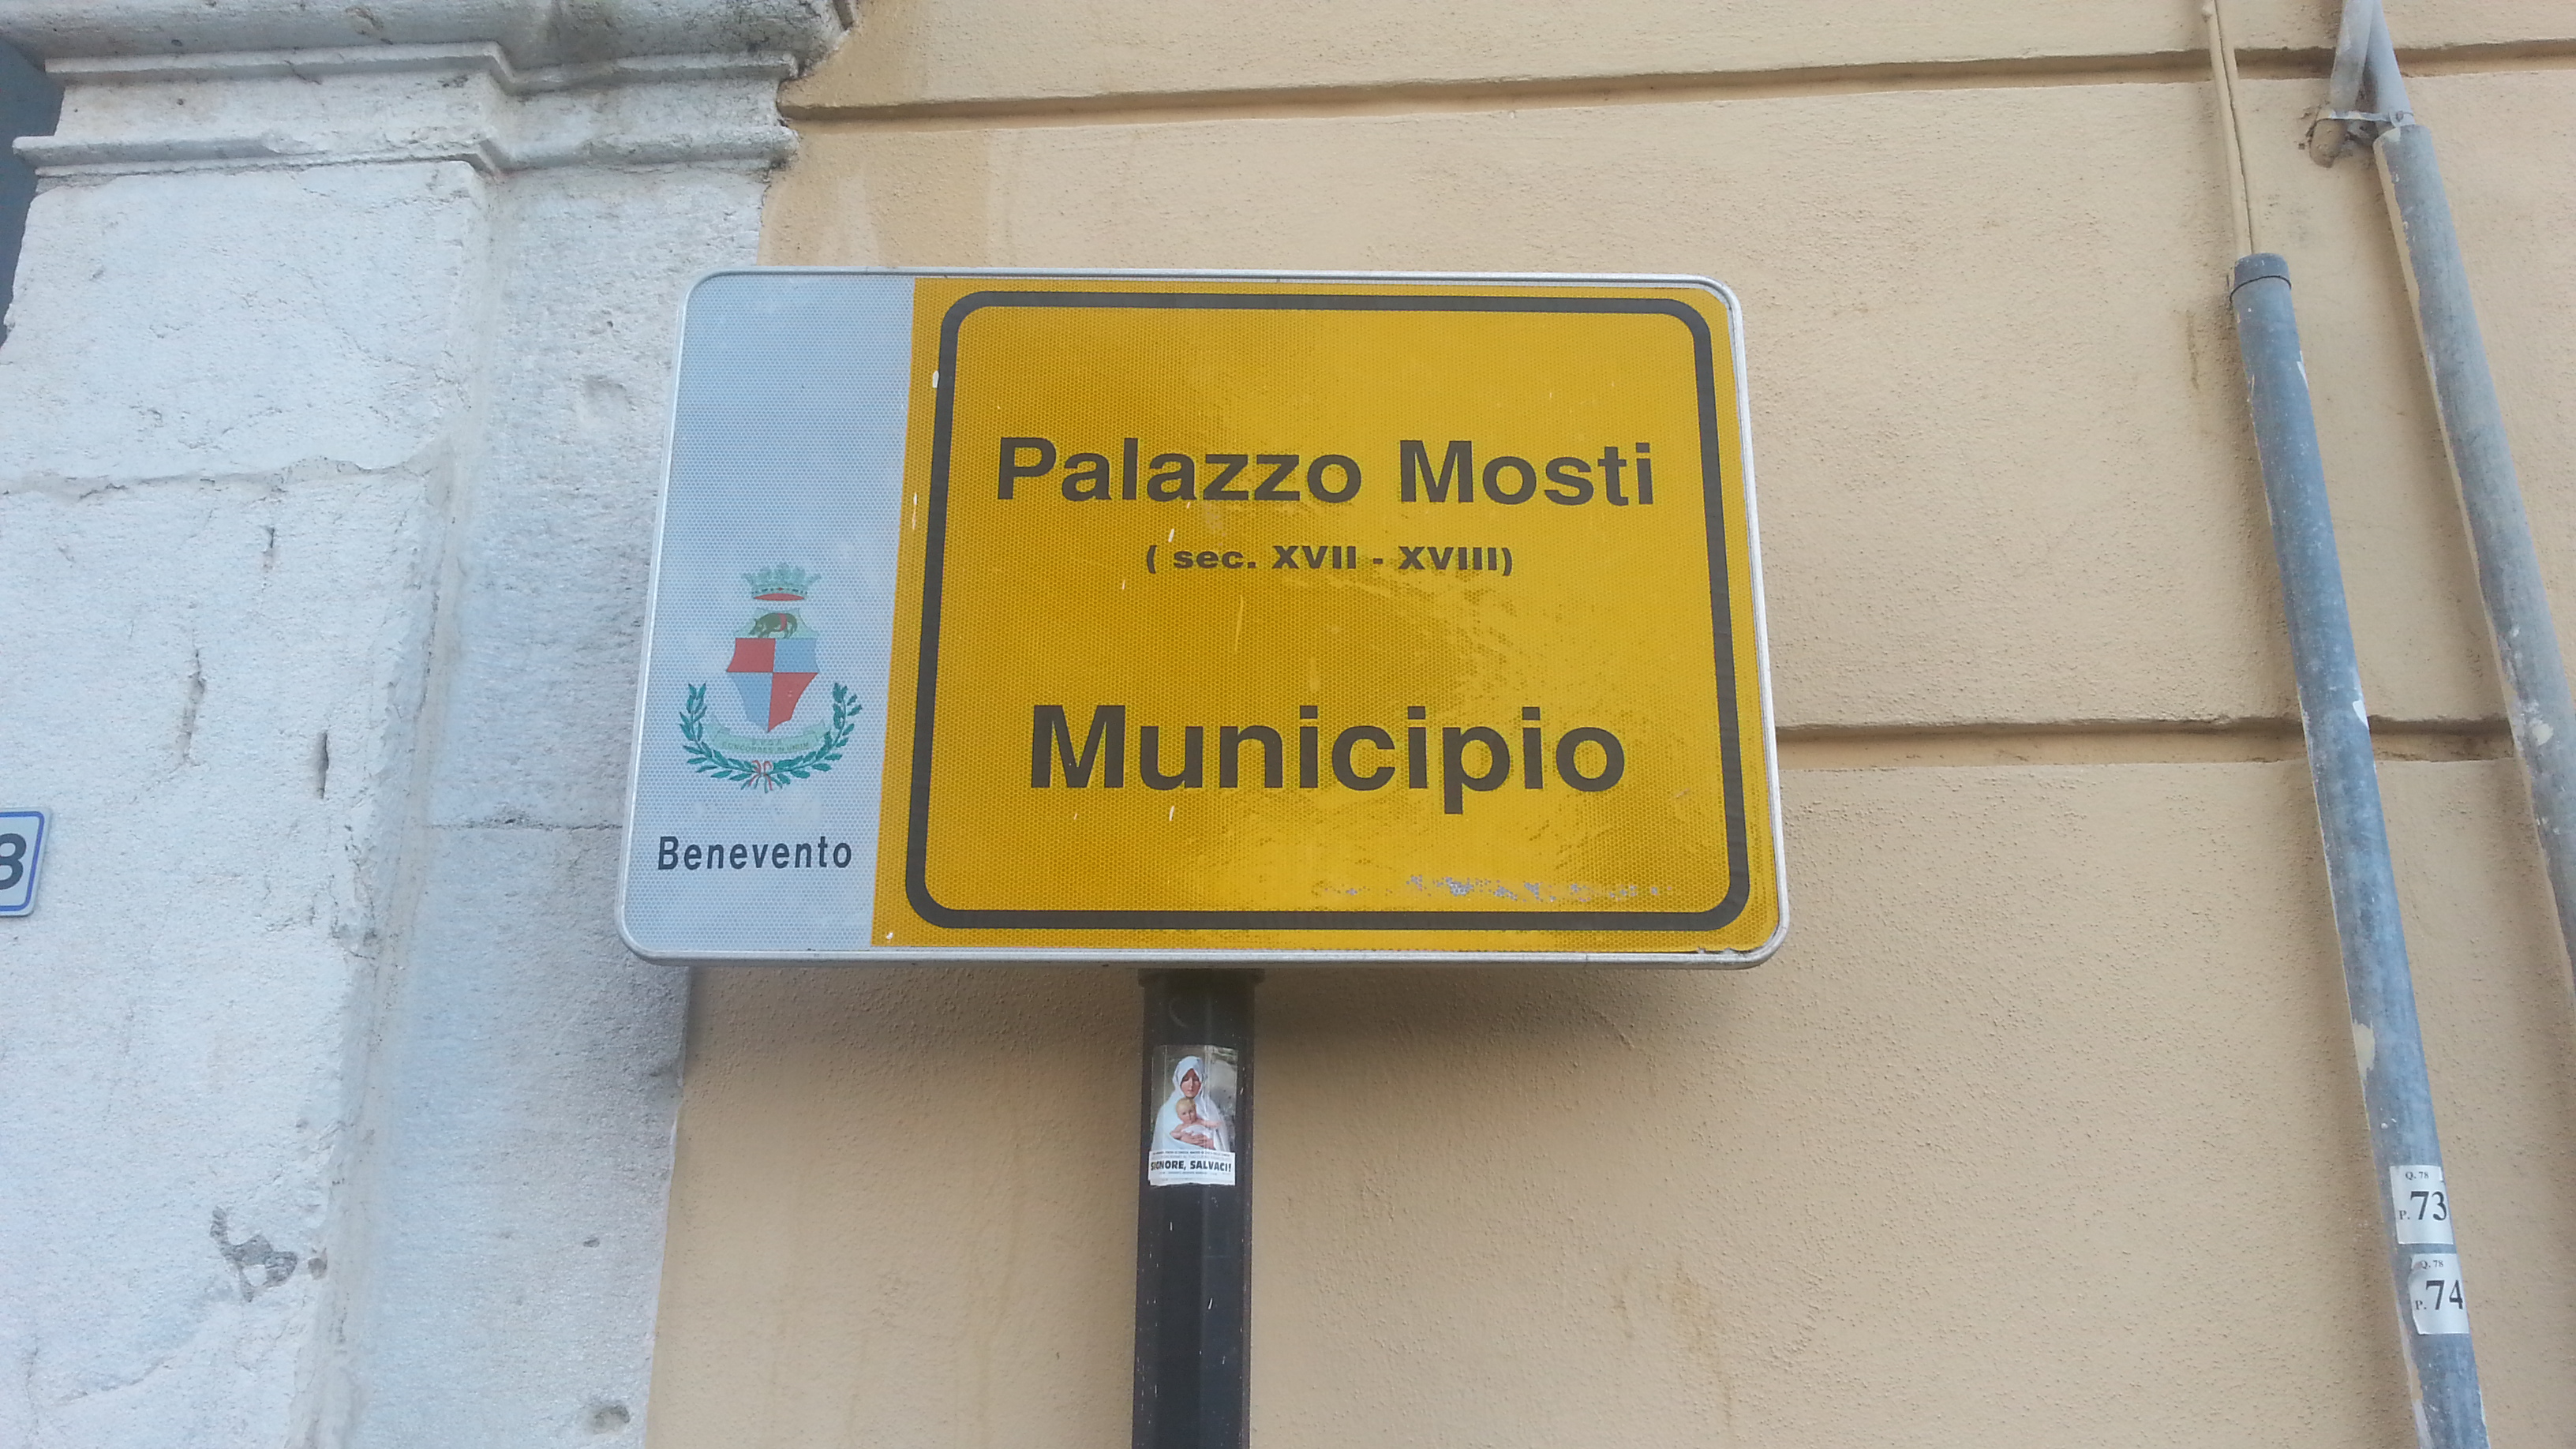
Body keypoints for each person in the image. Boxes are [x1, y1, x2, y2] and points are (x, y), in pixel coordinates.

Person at [1152, 1055, 1229, 1154]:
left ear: (1202, 1081)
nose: (1191, 1084)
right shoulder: (1166, 1111)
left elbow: (1222, 1142)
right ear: (1178, 1080)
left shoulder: (1211, 1109)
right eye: (1185, 1079)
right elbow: (1163, 1143)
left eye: (1196, 1079)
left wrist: (1213, 1144)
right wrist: (1182, 1138)